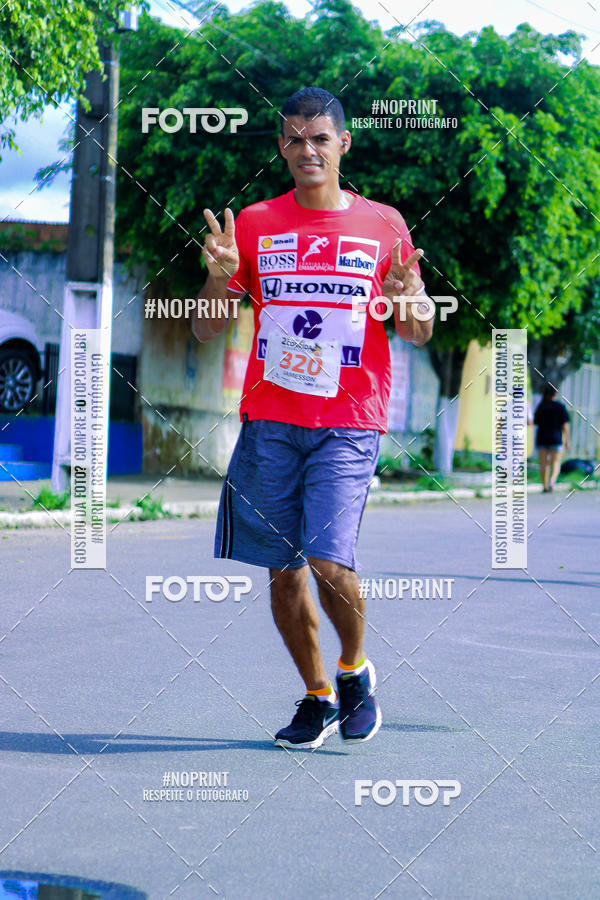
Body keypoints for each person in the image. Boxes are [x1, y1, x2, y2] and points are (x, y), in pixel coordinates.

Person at [192, 86, 433, 749]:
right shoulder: (255, 224)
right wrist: (217, 282)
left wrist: (412, 297)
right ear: (281, 147)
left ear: (343, 144)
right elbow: (207, 332)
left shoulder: (383, 225)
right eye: (294, 139)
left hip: (350, 421)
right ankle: (318, 696)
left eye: (320, 138)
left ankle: (355, 671)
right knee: (283, 570)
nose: (307, 150)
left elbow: (416, 329)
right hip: (270, 420)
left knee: (329, 561)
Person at [534, 384, 570, 492]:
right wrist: (567, 439)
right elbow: (565, 425)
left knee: (543, 464)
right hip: (556, 438)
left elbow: (535, 421)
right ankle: (552, 482)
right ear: (556, 393)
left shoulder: (541, 407)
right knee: (555, 462)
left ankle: (545, 485)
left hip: (542, 438)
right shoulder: (560, 407)